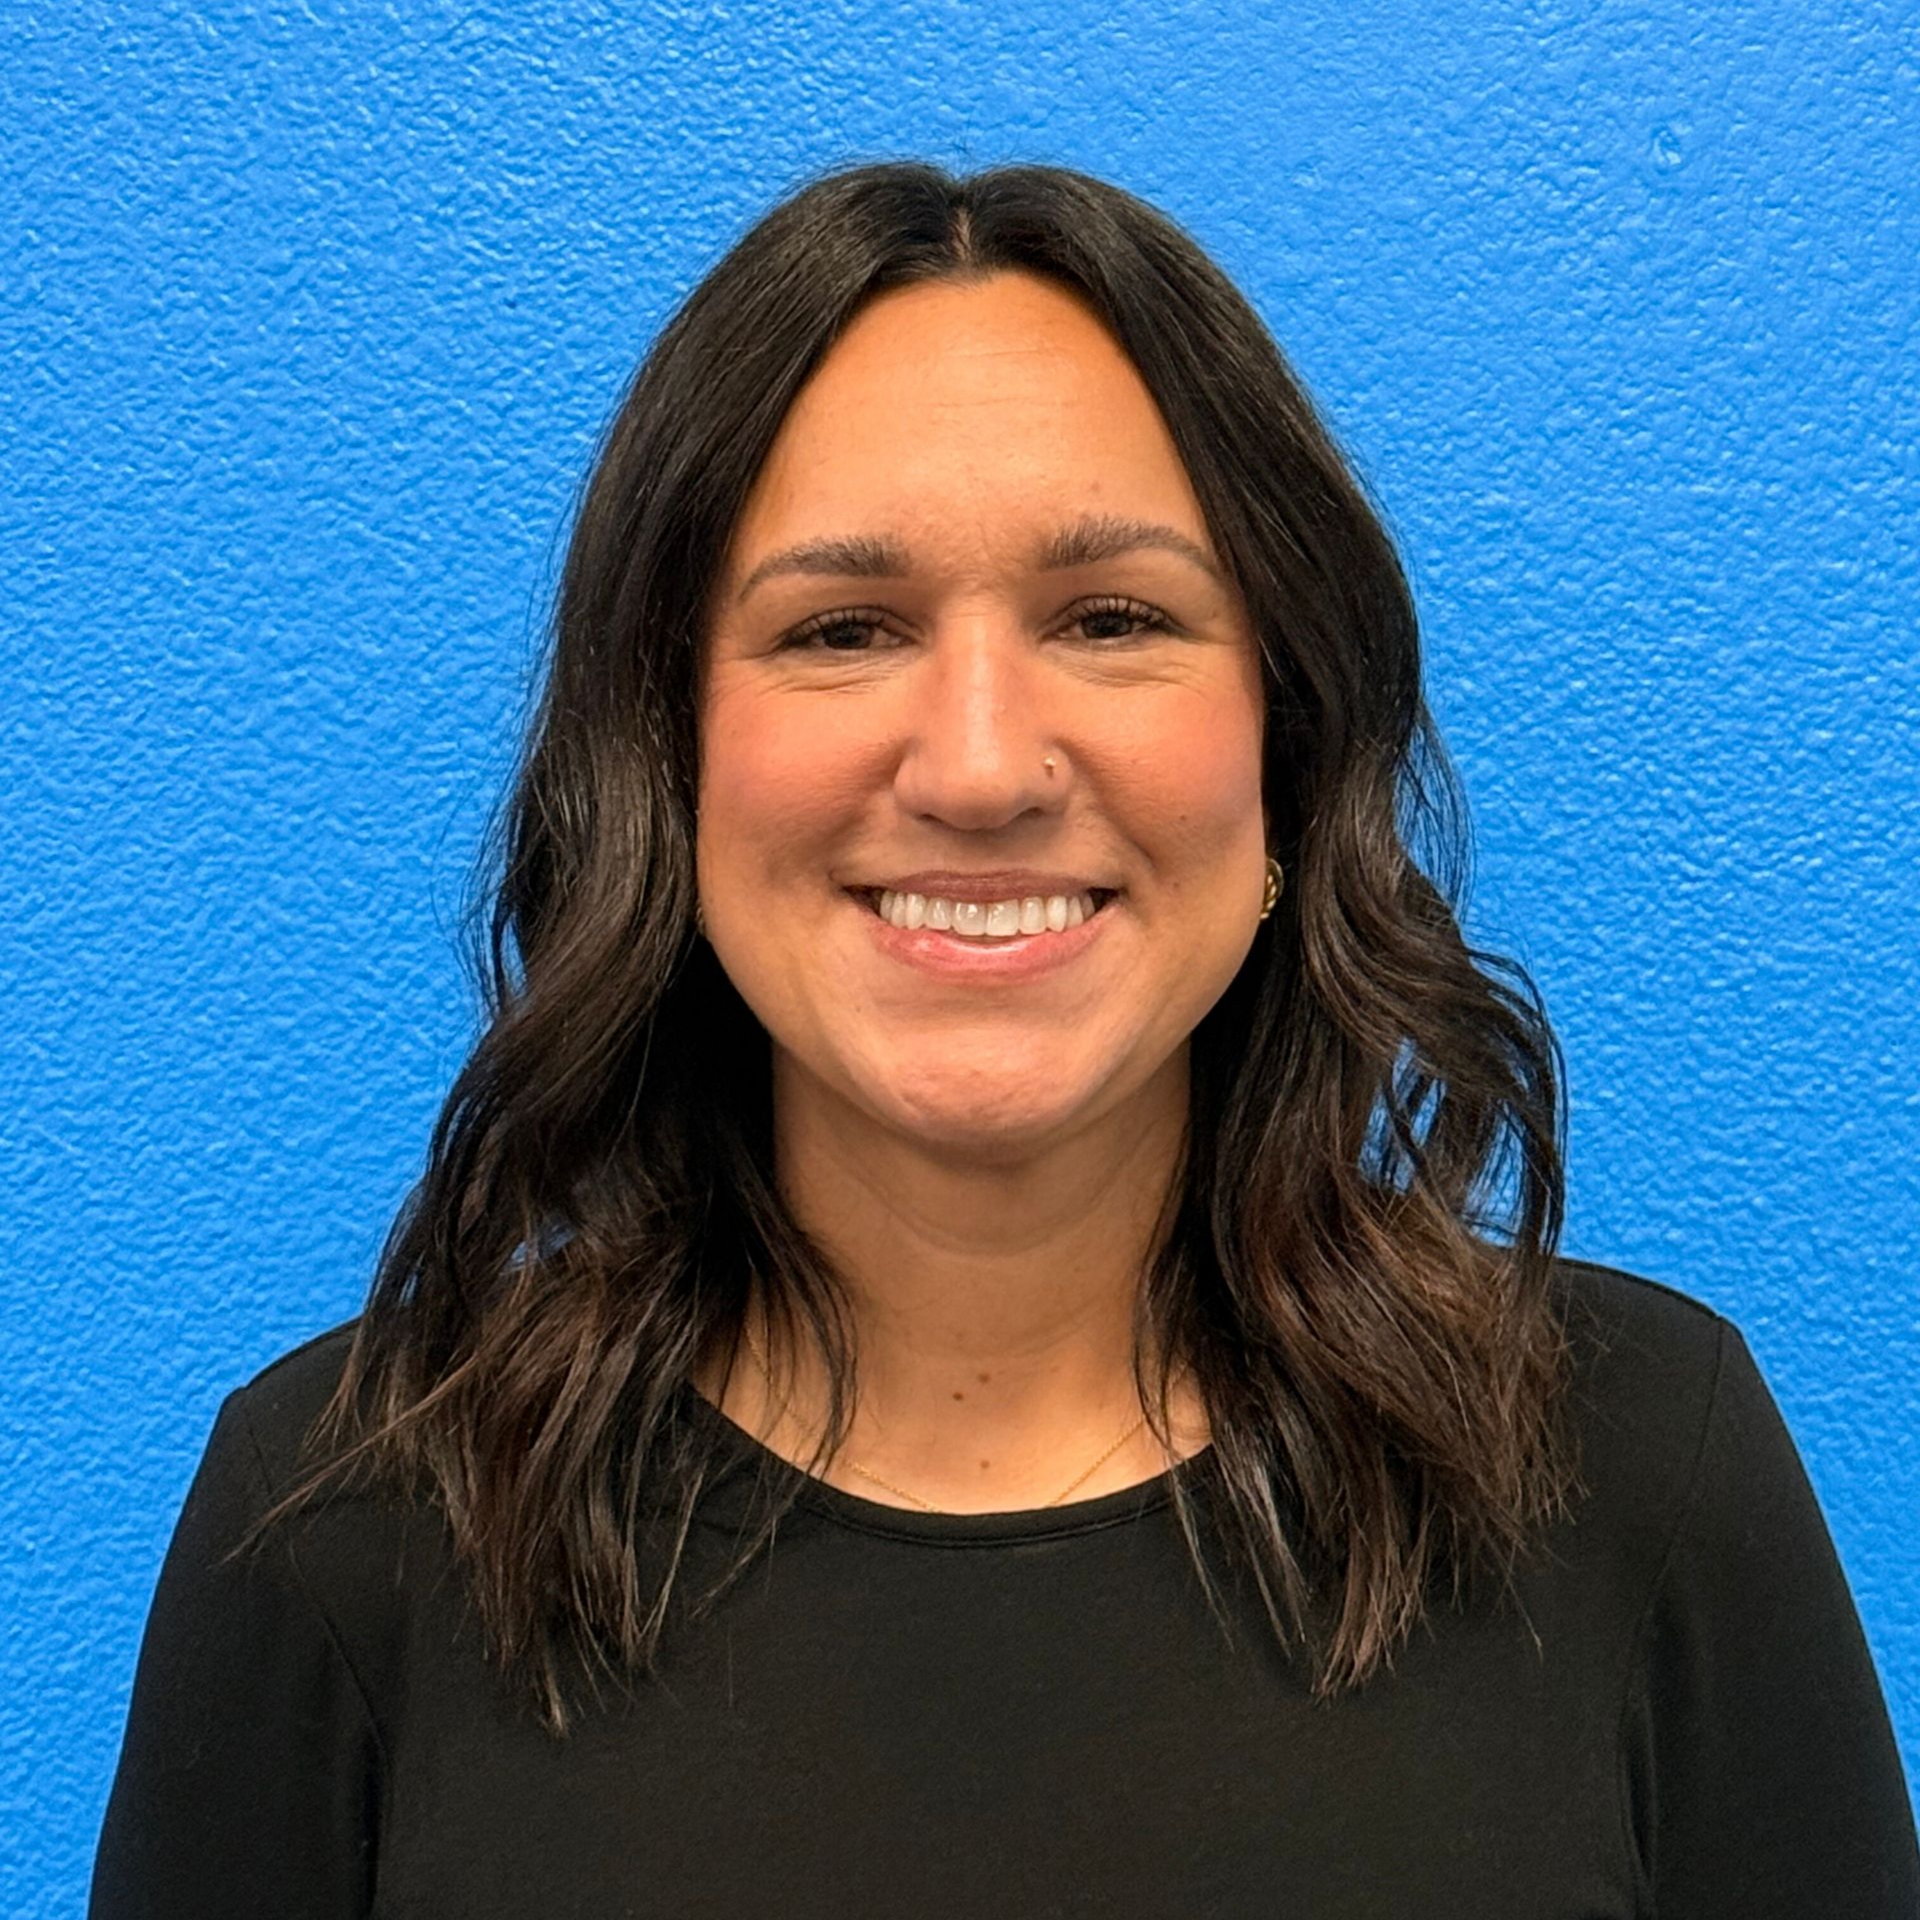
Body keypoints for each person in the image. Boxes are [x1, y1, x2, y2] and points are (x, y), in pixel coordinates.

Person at [91, 160, 1918, 1918]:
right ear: (668, 759)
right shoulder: (343, 1519)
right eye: (845, 627)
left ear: (1286, 750)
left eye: (1113, 619)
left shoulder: (1641, 1473)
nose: (978, 765)